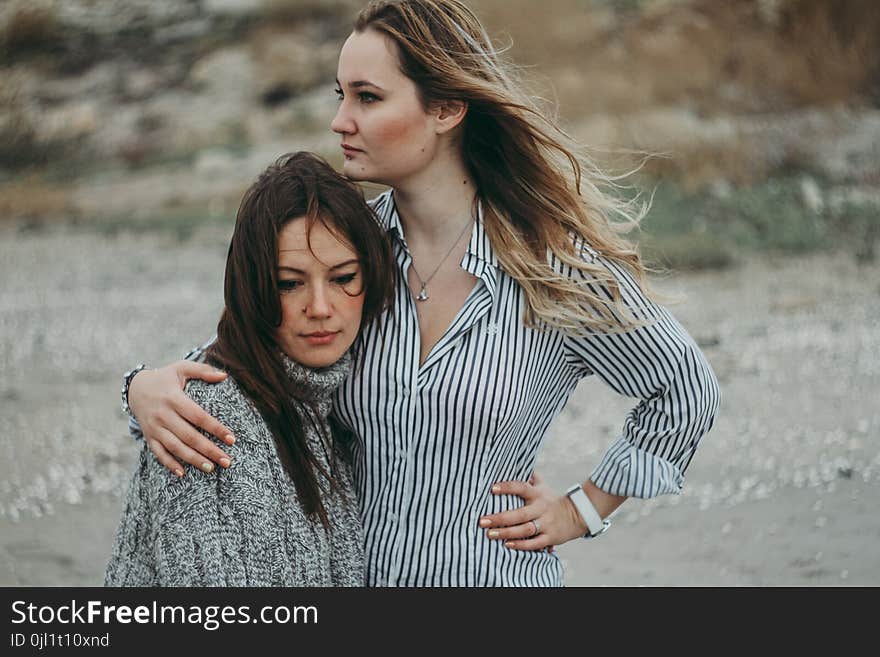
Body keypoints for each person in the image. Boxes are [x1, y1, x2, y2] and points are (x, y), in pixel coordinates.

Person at [122, 0, 721, 586]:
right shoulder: (353, 253)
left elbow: (684, 390)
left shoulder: (550, 264)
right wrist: (142, 388)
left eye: (368, 97)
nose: (340, 121)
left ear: (446, 108)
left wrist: (581, 511)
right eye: (342, 95)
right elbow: (243, 358)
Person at [105, 152, 394, 586]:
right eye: (289, 283)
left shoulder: (327, 394)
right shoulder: (205, 419)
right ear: (254, 286)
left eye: (343, 277)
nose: (319, 308)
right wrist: (136, 386)